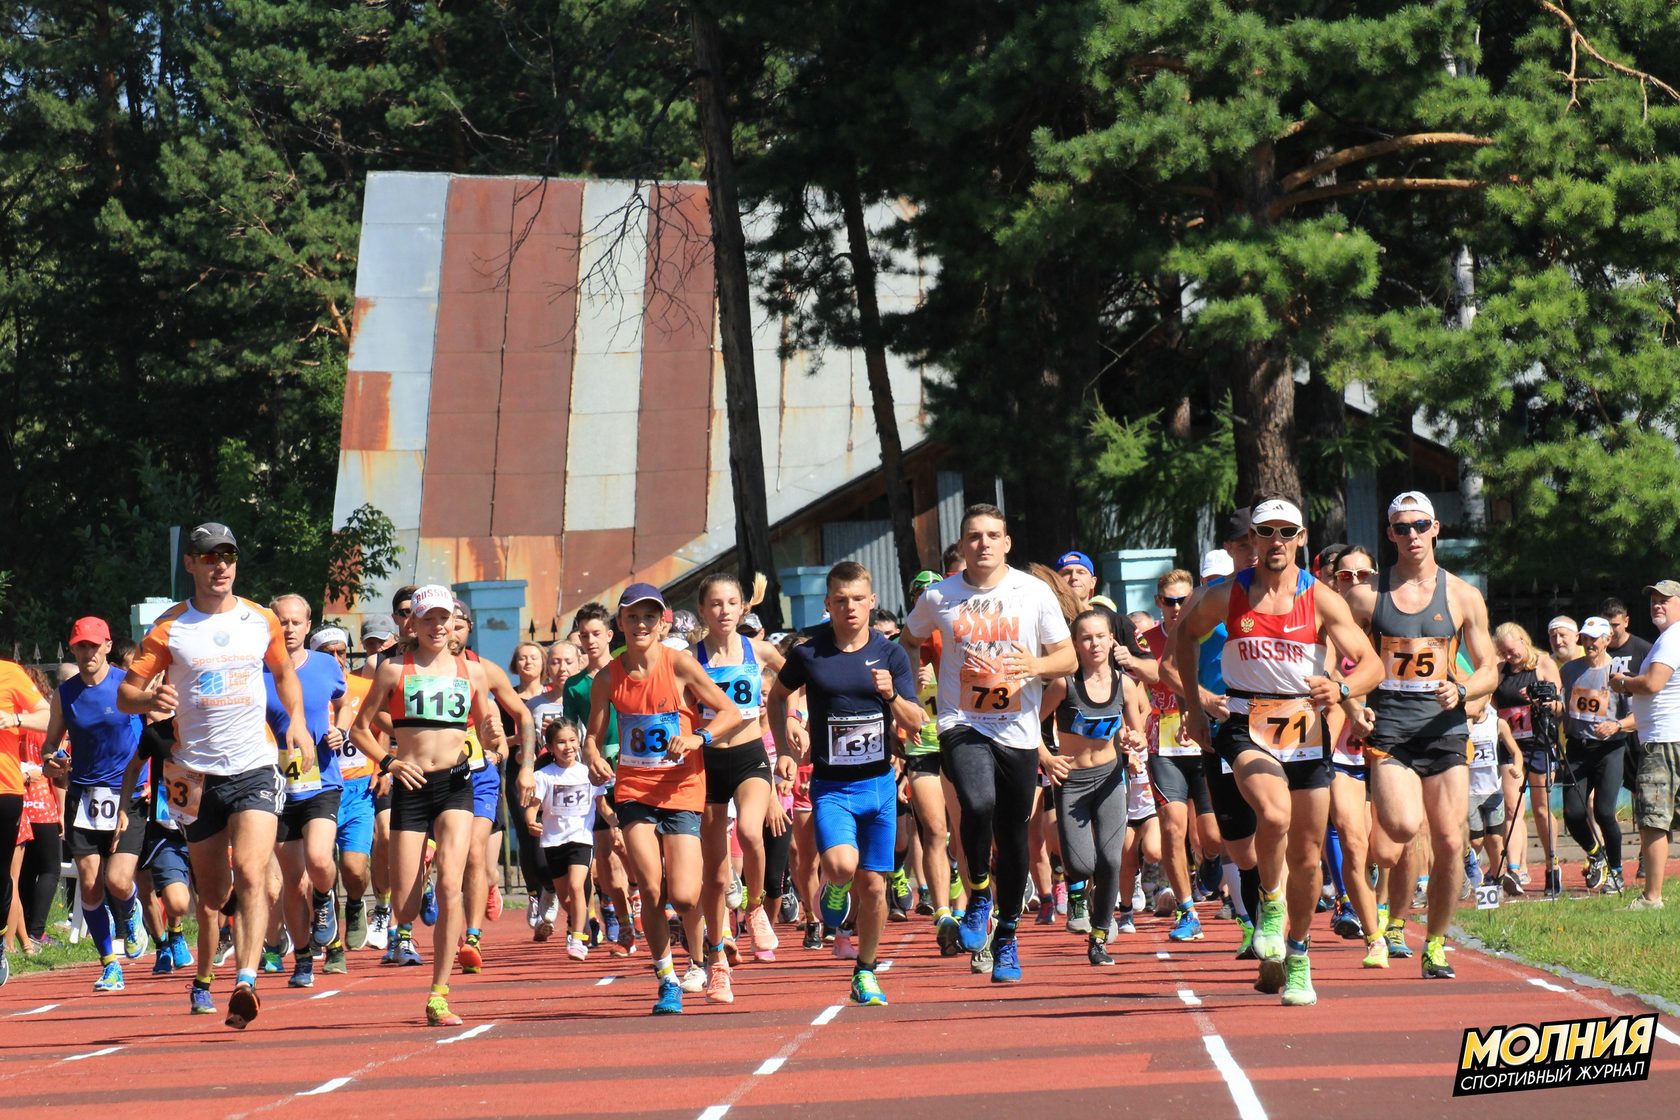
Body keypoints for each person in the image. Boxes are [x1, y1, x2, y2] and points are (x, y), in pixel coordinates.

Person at [1178, 498, 1383, 1005]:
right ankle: (1270, 905)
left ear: (1301, 537)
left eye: (1286, 532)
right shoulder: (1227, 595)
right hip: (1245, 722)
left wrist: (1342, 690)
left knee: (1309, 858)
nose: (1275, 542)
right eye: (1265, 532)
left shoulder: (1322, 600)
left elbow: (1373, 664)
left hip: (1305, 729)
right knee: (1273, 812)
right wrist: (1194, 704)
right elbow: (1184, 635)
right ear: (1252, 538)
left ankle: (1297, 954)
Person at [118, 522, 316, 1027]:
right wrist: (150, 698)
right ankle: (229, 950)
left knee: (253, 872)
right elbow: (127, 694)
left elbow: (285, 674)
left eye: (227, 554)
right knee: (214, 893)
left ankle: (246, 979)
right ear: (191, 564)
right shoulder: (170, 628)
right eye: (209, 557)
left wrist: (296, 722)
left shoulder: (260, 619)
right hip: (193, 775)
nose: (220, 565)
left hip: (253, 764)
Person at [901, 504, 1075, 984]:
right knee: (976, 803)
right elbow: (908, 638)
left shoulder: (1033, 592)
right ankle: (979, 892)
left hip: (1018, 731)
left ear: (1007, 543)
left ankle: (1008, 938)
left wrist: (1034, 668)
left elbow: (1068, 659)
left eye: (992, 535)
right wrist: (911, 694)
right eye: (974, 536)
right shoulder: (940, 596)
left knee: (1015, 837)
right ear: (961, 545)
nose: (983, 544)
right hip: (962, 722)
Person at [1342, 493, 1497, 980]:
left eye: (1420, 525)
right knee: (1405, 828)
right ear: (1390, 534)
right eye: (1402, 527)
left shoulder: (1462, 596)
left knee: (1451, 840)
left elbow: (1490, 668)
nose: (1412, 534)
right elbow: (1333, 657)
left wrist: (1464, 688)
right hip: (1391, 730)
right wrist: (1351, 704)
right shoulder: (1368, 595)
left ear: (1436, 530)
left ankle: (1435, 943)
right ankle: (1393, 917)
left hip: (1444, 729)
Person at [350, 584, 509, 1026]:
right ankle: (421, 868)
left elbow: (487, 719)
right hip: (411, 786)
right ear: (413, 624)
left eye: (445, 618)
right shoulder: (392, 671)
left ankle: (439, 994)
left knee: (450, 887)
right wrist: (390, 762)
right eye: (429, 619)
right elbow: (359, 729)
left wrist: (494, 740)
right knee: (405, 906)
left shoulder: (470, 671)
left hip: (456, 784)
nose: (438, 627)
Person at [768, 561, 922, 1006]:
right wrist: (785, 740)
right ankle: (833, 887)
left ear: (872, 602)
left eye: (858, 599)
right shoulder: (808, 652)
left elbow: (916, 721)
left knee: (875, 886)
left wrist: (891, 695)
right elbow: (779, 697)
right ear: (828, 605)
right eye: (840, 600)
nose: (850, 607)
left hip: (878, 785)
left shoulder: (890, 653)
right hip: (832, 785)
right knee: (840, 866)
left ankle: (866, 971)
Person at [583, 583, 740, 1014]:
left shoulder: (680, 665)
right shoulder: (607, 677)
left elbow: (728, 711)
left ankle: (711, 953)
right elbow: (591, 739)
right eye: (632, 617)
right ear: (621, 624)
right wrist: (594, 757)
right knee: (651, 887)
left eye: (649, 617)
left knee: (686, 896)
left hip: (683, 788)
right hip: (633, 790)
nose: (641, 624)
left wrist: (696, 738)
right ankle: (666, 977)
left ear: (662, 621)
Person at [40, 617, 149, 991]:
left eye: (92, 645)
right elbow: (49, 747)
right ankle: (109, 963)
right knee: (89, 885)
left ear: (106, 646)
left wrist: (154, 780)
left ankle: (132, 910)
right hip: (83, 797)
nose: (86, 653)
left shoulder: (128, 684)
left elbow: (157, 733)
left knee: (118, 881)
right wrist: (52, 761)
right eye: (79, 646)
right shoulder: (64, 694)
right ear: (73, 649)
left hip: (127, 795)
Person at [693, 572, 788, 989]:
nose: (724, 611)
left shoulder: (760, 650)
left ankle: (755, 908)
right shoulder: (690, 659)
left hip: (751, 756)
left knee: (751, 832)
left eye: (731, 602)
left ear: (742, 606)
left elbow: (793, 685)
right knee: (713, 876)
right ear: (703, 611)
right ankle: (716, 959)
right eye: (715, 604)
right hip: (707, 762)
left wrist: (795, 723)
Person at [1040, 609, 1148, 966]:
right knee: (1082, 864)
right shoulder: (1063, 685)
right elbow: (1031, 725)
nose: (1094, 643)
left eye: (1100, 636)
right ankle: (1078, 894)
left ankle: (1100, 935)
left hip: (1109, 778)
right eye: (1086, 638)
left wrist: (1134, 742)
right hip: (1072, 782)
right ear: (1076, 645)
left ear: (1111, 640)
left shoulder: (1125, 685)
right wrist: (1047, 757)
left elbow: (1136, 731)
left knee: (1112, 858)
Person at [265, 594, 347, 988]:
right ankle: (301, 958)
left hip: (321, 780)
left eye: (296, 622)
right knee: (291, 881)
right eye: (282, 622)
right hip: (277, 787)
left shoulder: (326, 665)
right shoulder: (258, 671)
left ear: (308, 625)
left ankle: (326, 896)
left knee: (318, 858)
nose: (290, 629)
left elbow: (346, 703)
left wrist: (340, 729)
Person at [1610, 580, 1680, 910]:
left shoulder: (1671, 638)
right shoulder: (1668, 639)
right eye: (1653, 599)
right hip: (1666, 737)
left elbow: (1652, 683)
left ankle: (1652, 897)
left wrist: (1623, 683)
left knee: (1653, 819)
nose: (1657, 604)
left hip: (1664, 742)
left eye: (1665, 599)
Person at [311, 627, 377, 964]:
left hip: (358, 788)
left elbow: (380, 730)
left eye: (341, 652)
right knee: (320, 869)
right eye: (328, 653)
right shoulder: (306, 685)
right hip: (317, 786)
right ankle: (332, 944)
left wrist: (382, 767)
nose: (337, 659)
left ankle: (354, 904)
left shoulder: (364, 688)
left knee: (353, 867)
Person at [526, 719, 614, 961]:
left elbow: (602, 806)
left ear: (579, 743)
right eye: (561, 742)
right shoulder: (543, 776)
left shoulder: (589, 773)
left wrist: (618, 824)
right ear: (551, 747)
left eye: (572, 741)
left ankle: (576, 939)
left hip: (581, 839)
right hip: (553, 841)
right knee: (566, 898)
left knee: (577, 887)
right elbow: (533, 806)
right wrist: (531, 821)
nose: (568, 746)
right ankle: (581, 921)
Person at [1559, 616, 1632, 895]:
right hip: (1577, 747)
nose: (1588, 643)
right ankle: (1595, 853)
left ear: (1607, 640)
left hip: (1609, 748)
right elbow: (1564, 707)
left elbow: (1637, 716)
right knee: (1573, 813)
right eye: (1585, 638)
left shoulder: (1618, 671)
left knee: (1603, 811)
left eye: (1594, 638)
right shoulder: (1570, 670)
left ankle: (1616, 871)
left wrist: (1616, 725)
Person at [1492, 622, 1564, 898]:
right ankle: (1515, 868)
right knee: (1512, 808)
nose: (1509, 657)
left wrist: (1537, 700)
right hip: (1511, 746)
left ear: (1524, 640)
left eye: (1512, 651)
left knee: (1542, 808)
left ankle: (1551, 864)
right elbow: (1492, 706)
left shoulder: (1543, 664)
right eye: (1504, 653)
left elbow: (1558, 706)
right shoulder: (1501, 672)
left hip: (1540, 743)